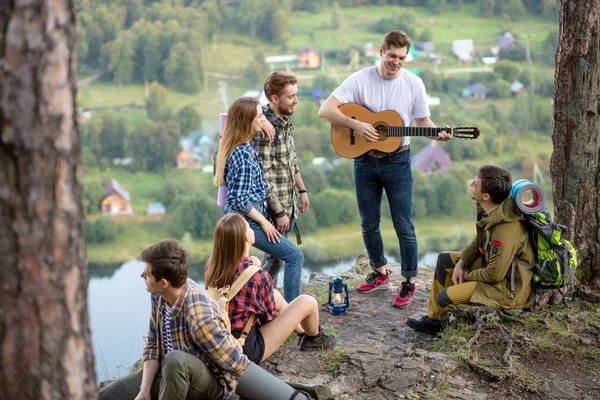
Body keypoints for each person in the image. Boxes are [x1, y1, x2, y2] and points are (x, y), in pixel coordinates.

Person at [318, 30, 452, 309]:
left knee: (404, 224)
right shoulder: (359, 79)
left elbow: (423, 120)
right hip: (364, 160)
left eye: (402, 58)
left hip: (398, 162)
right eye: (392, 56)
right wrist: (356, 125)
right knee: (369, 222)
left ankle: (409, 282)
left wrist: (437, 132)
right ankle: (379, 271)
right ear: (381, 51)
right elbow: (325, 110)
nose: (397, 62)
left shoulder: (414, 83)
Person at [99, 240, 313, 400]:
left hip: (208, 382)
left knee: (176, 360)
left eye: (146, 274)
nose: (141, 276)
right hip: (169, 371)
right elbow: (153, 343)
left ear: (164, 282)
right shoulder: (159, 295)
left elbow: (235, 362)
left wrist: (290, 397)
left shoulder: (199, 313)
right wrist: (144, 391)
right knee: (105, 396)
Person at [406, 165, 536, 334]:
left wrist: (466, 275)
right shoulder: (493, 210)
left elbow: (494, 274)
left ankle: (445, 323)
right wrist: (461, 263)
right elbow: (480, 241)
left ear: (486, 196)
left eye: (474, 184)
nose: (470, 184)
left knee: (444, 298)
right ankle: (435, 320)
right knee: (445, 259)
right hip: (497, 272)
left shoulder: (505, 230)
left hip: (508, 289)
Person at [205, 213, 336, 365]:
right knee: (308, 302)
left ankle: (302, 332)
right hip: (245, 350)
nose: (251, 227)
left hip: (220, 340)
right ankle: (314, 339)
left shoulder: (213, 267)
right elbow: (268, 317)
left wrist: (251, 267)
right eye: (248, 226)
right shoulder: (258, 277)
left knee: (274, 294)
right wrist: (255, 273)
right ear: (245, 237)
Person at [214, 96, 303, 303]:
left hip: (239, 219)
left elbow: (232, 116)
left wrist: (264, 122)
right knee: (294, 256)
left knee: (234, 270)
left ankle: (264, 307)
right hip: (246, 221)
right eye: (259, 117)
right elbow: (239, 199)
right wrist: (264, 223)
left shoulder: (244, 143)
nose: (263, 119)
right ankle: (293, 311)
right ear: (248, 122)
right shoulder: (243, 155)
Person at [254, 71, 309, 289]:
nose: (296, 100)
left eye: (296, 95)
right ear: (274, 99)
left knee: (275, 262)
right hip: (275, 210)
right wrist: (279, 212)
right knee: (273, 262)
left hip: (289, 203)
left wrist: (302, 191)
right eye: (291, 96)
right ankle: (260, 306)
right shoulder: (265, 129)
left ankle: (270, 305)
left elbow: (291, 162)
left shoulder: (285, 122)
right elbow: (263, 177)